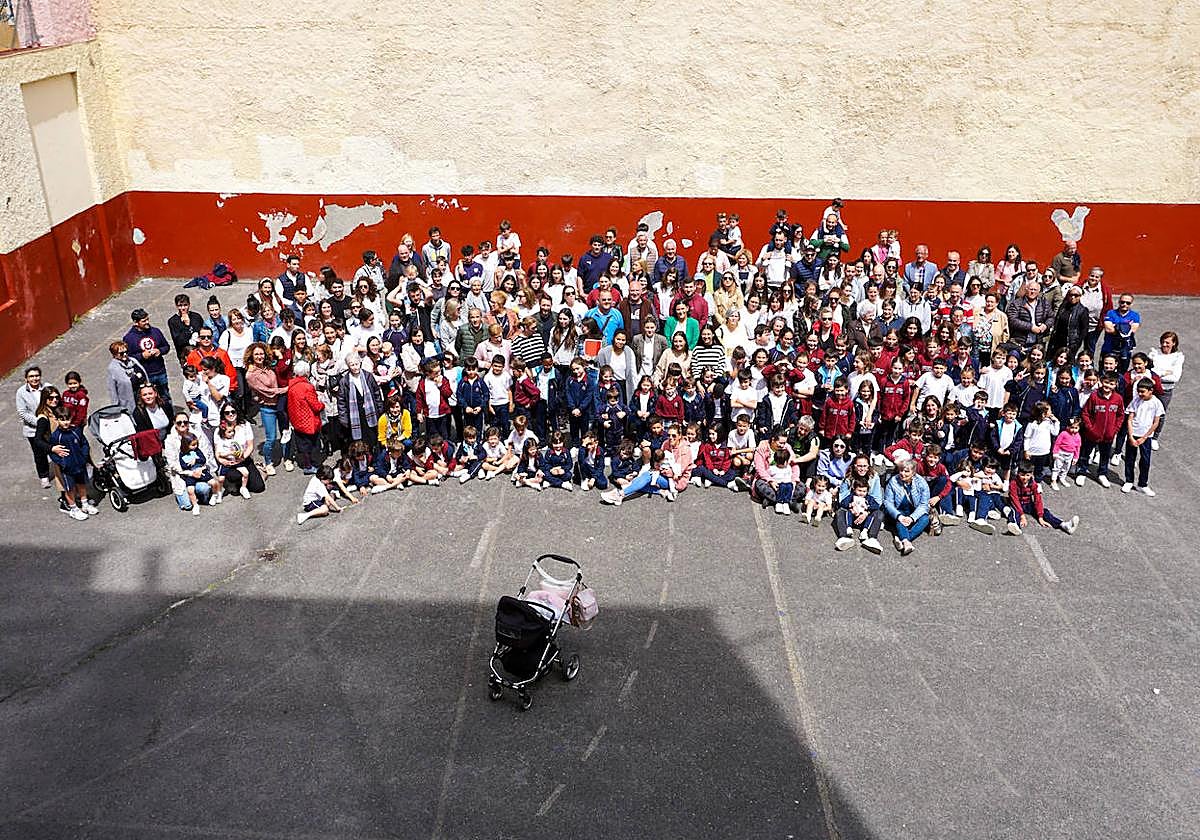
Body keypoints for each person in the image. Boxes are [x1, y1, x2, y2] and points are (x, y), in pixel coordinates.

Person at [49, 406, 97, 519]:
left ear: (71, 418)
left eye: (67, 419)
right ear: (56, 420)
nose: (65, 422)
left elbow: (84, 443)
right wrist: (62, 463)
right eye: (61, 419)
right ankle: (73, 509)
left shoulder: (76, 431)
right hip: (67, 469)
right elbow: (53, 453)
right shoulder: (56, 436)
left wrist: (84, 456)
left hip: (80, 465)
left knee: (82, 484)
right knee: (69, 489)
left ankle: (85, 504)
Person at [1007, 461, 1078, 536]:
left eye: (1027, 475)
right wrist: (1022, 515)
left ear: (1031, 474)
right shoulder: (1013, 483)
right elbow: (1014, 500)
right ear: (1018, 473)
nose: (1025, 478)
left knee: (1045, 511)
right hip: (1016, 504)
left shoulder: (1033, 484)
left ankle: (1064, 525)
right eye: (1022, 475)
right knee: (1014, 513)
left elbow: (1038, 499)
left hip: (1027, 503)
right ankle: (1014, 525)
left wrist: (1040, 517)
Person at [1121, 378, 1164, 496]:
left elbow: (1156, 423)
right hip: (1133, 435)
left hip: (1146, 437)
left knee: (1145, 460)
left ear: (1151, 391)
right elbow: (1129, 419)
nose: (1140, 394)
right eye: (1139, 391)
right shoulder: (1135, 401)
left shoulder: (1156, 403)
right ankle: (1129, 481)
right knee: (1130, 458)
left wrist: (1144, 437)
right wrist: (1130, 436)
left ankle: (1142, 484)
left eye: (1142, 392)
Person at [123, 308, 172, 410]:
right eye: (144, 321)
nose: (147, 322)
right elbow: (127, 358)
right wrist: (142, 356)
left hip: (160, 371)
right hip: (144, 375)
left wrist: (159, 351)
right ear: (136, 322)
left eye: (147, 319)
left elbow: (166, 347)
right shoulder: (129, 338)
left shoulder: (155, 331)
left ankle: (170, 417)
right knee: (147, 400)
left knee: (165, 396)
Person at [883, 458, 930, 555]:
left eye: (907, 471)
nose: (903, 473)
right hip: (899, 511)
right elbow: (888, 502)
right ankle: (907, 542)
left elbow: (924, 505)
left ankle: (902, 539)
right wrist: (899, 516)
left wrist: (912, 518)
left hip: (914, 512)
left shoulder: (921, 483)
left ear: (913, 472)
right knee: (900, 520)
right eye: (901, 470)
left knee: (925, 519)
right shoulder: (893, 481)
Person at [1148, 331, 1183, 450]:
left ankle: (1154, 437)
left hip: (1165, 391)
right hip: (1151, 387)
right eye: (1163, 341)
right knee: (1144, 410)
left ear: (1174, 343)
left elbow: (1175, 377)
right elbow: (1149, 373)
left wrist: (1157, 373)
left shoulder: (1178, 357)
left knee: (1160, 414)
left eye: (1167, 342)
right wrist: (1165, 372)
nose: (1164, 344)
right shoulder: (1154, 354)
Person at [16, 366, 50, 487]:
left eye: (36, 375)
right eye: (31, 376)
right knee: (39, 454)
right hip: (33, 429)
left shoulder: (47, 387)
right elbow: (22, 412)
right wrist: (40, 422)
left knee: (56, 448)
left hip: (49, 427)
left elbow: (55, 402)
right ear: (26, 379)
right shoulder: (21, 392)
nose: (34, 378)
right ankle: (44, 476)